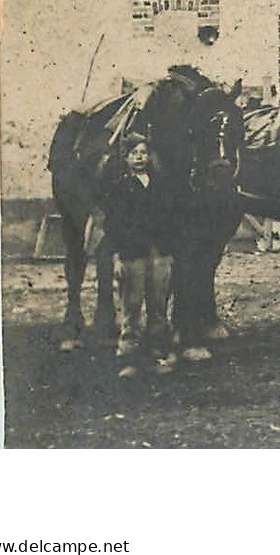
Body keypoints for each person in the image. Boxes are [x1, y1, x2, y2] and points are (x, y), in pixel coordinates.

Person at [99, 133, 176, 377]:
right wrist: (120, 255)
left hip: (159, 252)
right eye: (134, 153)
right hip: (133, 253)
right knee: (132, 304)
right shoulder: (120, 188)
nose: (139, 158)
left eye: (143, 153)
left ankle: (157, 352)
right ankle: (128, 356)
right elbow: (114, 224)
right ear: (126, 157)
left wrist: (168, 247)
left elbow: (169, 217)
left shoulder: (160, 184)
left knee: (158, 303)